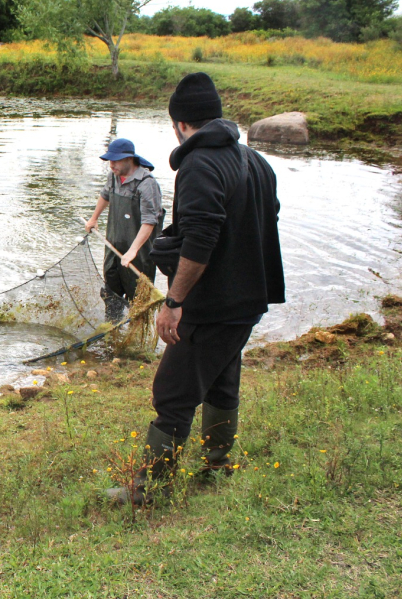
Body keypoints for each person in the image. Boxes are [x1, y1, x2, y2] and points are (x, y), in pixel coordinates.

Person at [107, 72, 285, 505]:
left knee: (173, 391)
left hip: (212, 304)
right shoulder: (254, 160)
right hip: (249, 300)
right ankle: (219, 465)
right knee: (222, 381)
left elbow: (203, 239)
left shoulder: (199, 165)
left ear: (179, 125)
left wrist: (174, 301)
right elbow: (267, 218)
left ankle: (150, 489)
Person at [85, 138, 163, 320]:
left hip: (139, 254)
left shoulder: (147, 184)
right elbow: (105, 195)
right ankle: (112, 335)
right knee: (111, 294)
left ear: (130, 158)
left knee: (138, 302)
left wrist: (132, 251)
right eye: (109, 160)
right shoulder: (113, 175)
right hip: (114, 246)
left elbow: (150, 222)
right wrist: (94, 218)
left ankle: (135, 341)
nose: (111, 165)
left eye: (116, 160)